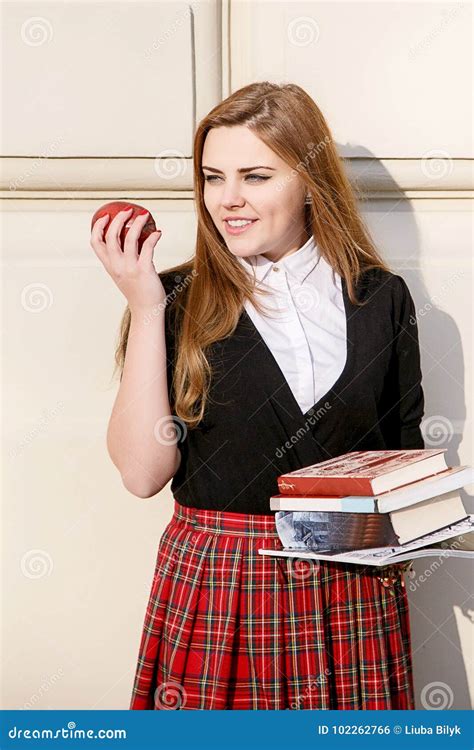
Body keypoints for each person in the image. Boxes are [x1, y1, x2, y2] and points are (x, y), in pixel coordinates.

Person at [90, 82, 424, 710]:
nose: (229, 200)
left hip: (354, 592)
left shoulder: (382, 298)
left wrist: (407, 538)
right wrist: (143, 305)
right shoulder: (172, 300)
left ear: (309, 179)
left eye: (256, 176)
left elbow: (403, 458)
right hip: (222, 589)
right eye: (214, 178)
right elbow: (141, 473)